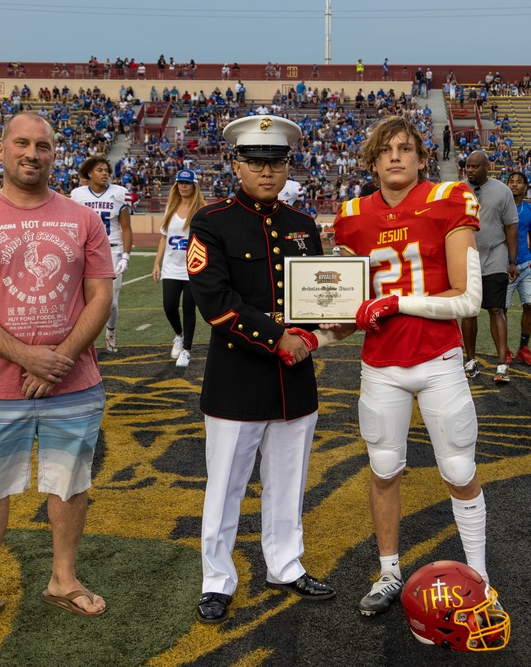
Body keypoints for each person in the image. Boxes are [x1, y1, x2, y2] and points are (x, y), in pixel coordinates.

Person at [0, 112, 115, 638]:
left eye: (42, 145)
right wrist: (26, 356)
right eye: (22, 143)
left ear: (54, 153)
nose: (32, 153)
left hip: (74, 381)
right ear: (2, 149)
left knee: (70, 484)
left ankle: (63, 579)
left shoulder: (82, 218)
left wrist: (57, 357)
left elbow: (100, 296)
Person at [331, 115, 497, 617]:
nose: (396, 156)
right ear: (372, 160)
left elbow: (468, 299)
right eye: (386, 150)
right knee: (383, 468)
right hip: (380, 363)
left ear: (423, 157)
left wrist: (397, 302)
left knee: (458, 467)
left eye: (405, 148)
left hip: (439, 358)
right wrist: (315, 327)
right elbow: (346, 310)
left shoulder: (447, 199)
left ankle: (479, 577)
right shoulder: (352, 215)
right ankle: (389, 572)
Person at [187, 115, 334, 625]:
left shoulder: (303, 225)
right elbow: (216, 303)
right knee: (225, 484)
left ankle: (285, 565)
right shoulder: (211, 221)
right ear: (236, 164)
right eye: (255, 161)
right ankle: (217, 579)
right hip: (237, 375)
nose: (267, 171)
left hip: (294, 378)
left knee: (288, 481)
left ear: (288, 165)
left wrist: (311, 334)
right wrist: (280, 339)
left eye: (276, 162)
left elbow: (317, 296)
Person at [460, 151, 519, 382]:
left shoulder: (503, 191)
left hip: (495, 254)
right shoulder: (459, 190)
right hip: (467, 257)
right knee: (468, 310)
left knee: (496, 309)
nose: (471, 170)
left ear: (487, 167)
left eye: (476, 167)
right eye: (468, 166)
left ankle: (502, 363)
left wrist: (512, 261)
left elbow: (511, 227)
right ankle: (471, 360)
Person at [71, 156, 133, 352]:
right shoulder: (77, 195)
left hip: (111, 249)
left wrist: (125, 255)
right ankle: (82, 338)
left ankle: (111, 333)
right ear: (89, 173)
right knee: (80, 298)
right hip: (85, 249)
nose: (105, 173)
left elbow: (126, 228)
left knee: (111, 300)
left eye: (106, 170)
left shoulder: (119, 193)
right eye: (100, 169)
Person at [152, 169, 205, 367]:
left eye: (187, 183)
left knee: (189, 308)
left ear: (194, 185)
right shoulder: (171, 206)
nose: (183, 186)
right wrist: (156, 263)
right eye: (180, 183)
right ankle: (179, 335)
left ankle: (187, 350)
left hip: (192, 267)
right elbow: (164, 237)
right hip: (171, 266)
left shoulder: (201, 209)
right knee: (170, 305)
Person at [505, 171, 531, 365]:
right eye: (512, 181)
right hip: (504, 266)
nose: (515, 185)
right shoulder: (501, 207)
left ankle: (523, 348)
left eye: (519, 182)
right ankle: (504, 349)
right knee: (501, 309)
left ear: (526, 186)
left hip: (526, 264)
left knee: (530, 306)